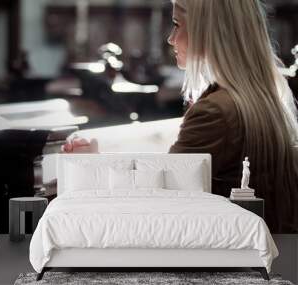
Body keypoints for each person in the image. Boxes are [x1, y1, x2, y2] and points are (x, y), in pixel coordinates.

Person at [62, 0, 298, 233]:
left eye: (177, 24)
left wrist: (96, 166)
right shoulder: (263, 95)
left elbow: (160, 203)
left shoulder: (215, 112)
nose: (171, 38)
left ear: (208, 30)